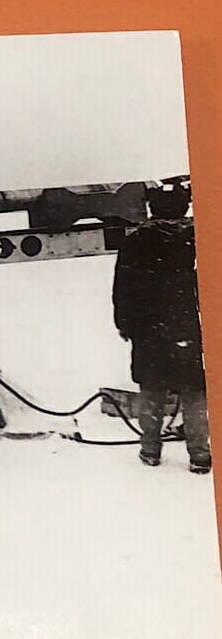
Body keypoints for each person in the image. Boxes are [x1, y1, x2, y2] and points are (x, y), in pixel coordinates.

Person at [112, 181, 211, 473]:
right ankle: (199, 455)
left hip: (148, 330)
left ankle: (150, 450)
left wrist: (125, 324)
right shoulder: (198, 237)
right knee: (195, 391)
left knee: (152, 389)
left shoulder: (135, 240)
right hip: (189, 329)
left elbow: (123, 288)